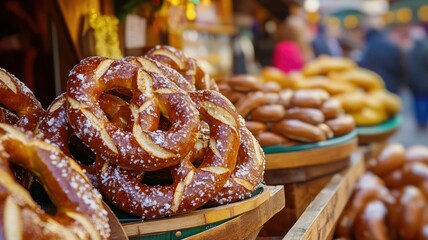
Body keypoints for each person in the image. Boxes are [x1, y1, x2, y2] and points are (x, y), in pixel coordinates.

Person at [359, 26, 403, 94]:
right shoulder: (391, 45)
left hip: (375, 86)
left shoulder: (369, 48)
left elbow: (364, 67)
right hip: (392, 84)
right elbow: (400, 66)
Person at [406, 26, 428, 129]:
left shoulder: (410, 50)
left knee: (416, 102)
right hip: (425, 80)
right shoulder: (425, 49)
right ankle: (424, 120)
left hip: (414, 81)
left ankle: (420, 121)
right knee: (425, 101)